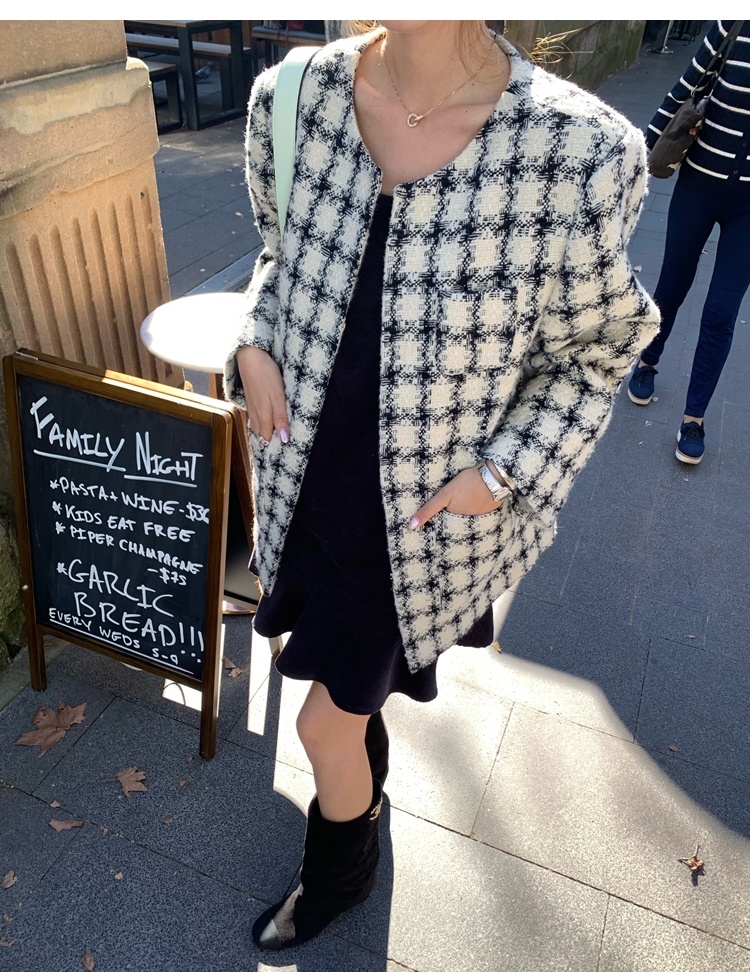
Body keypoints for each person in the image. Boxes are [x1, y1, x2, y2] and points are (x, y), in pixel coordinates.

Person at [224, 20, 659, 952]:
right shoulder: (292, 98)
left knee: (321, 724)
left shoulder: (578, 153)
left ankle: (339, 873)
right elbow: (278, 256)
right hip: (304, 489)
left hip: (420, 532)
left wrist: (504, 473)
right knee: (347, 701)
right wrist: (254, 340)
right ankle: (366, 779)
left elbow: (597, 354)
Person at [628, 20, 750, 464]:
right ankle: (648, 360)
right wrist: (638, 158)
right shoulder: (735, 22)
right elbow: (686, 85)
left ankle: (694, 418)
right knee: (673, 286)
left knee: (721, 312)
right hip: (698, 186)